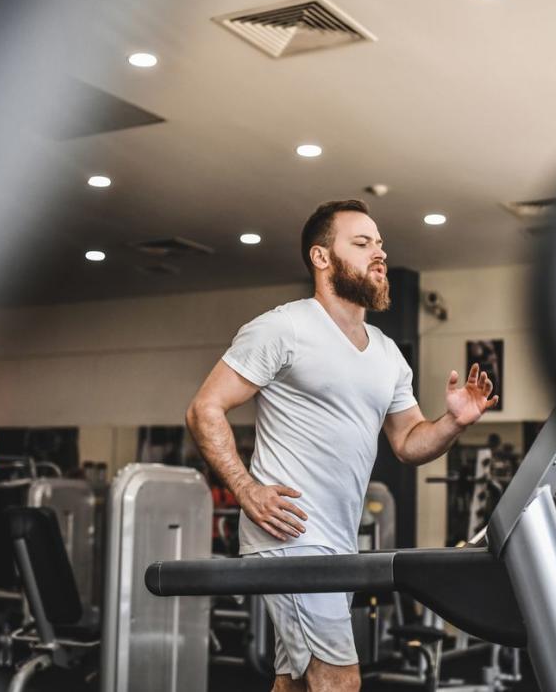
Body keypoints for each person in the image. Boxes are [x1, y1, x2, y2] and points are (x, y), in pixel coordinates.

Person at [185, 199, 499, 692]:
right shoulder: (283, 327)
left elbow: (409, 443)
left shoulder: (387, 353)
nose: (378, 253)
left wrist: (455, 423)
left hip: (337, 540)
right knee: (339, 680)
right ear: (321, 257)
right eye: (361, 243)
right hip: (289, 534)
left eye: (380, 244)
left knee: (294, 680)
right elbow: (205, 408)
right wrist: (246, 490)